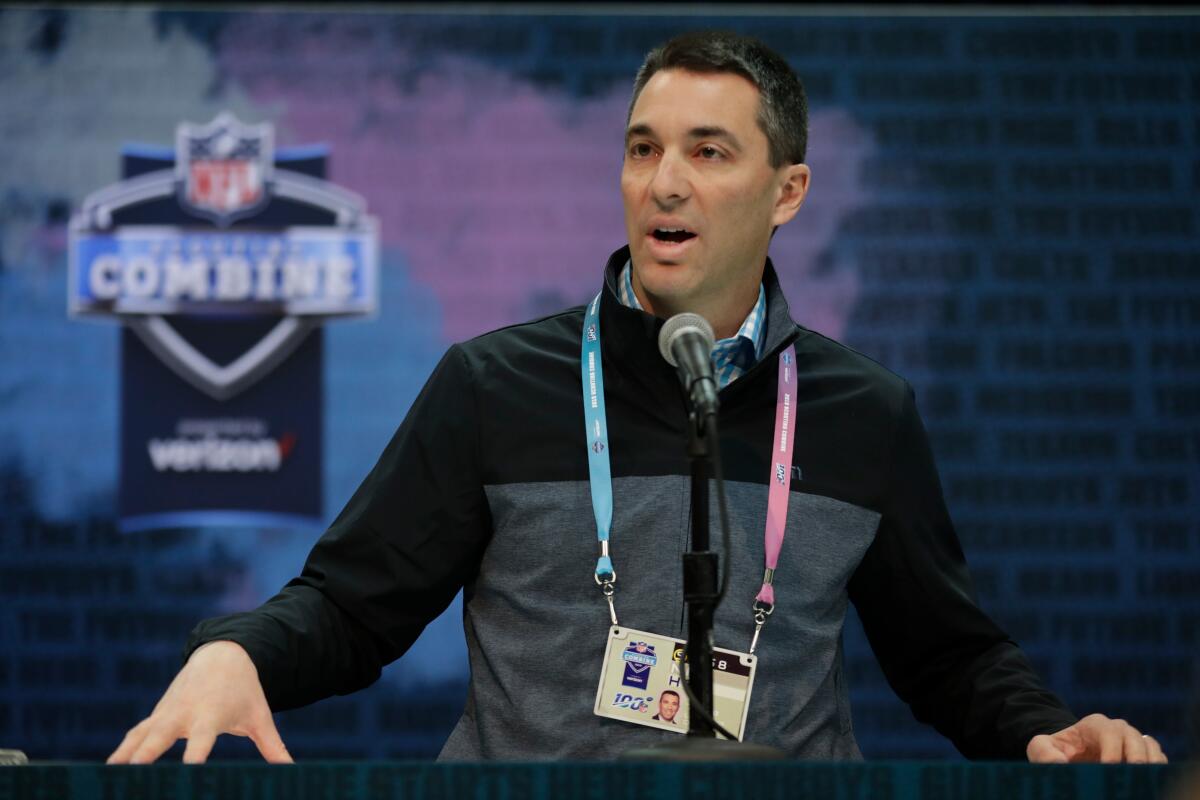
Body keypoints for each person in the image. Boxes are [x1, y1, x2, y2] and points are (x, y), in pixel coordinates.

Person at [108, 30, 1167, 765]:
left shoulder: (861, 411)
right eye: (643, 148)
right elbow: (350, 605)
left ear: (788, 190)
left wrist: (1042, 730)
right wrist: (234, 648)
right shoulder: (495, 385)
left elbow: (950, 654)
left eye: (708, 152)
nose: (665, 182)